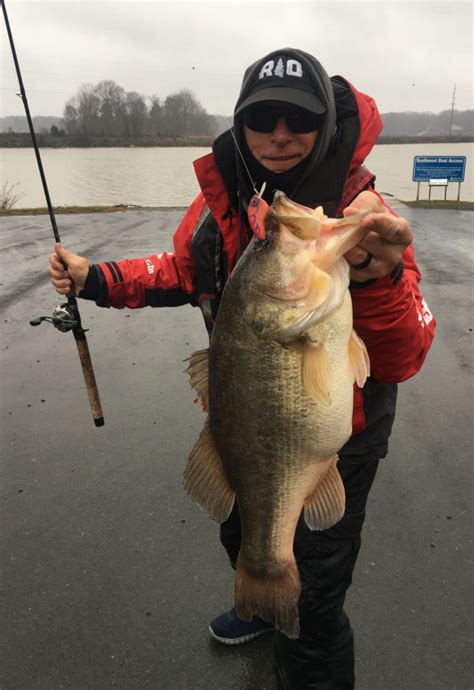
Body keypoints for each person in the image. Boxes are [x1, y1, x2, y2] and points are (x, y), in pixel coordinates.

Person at [48, 48, 435, 690]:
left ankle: (290, 615)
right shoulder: (224, 199)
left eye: (298, 118)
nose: (280, 135)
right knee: (244, 530)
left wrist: (380, 277)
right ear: (240, 124)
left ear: (326, 127)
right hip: (240, 422)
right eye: (263, 119)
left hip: (337, 441)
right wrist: (98, 278)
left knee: (314, 612)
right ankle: (260, 591)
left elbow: (403, 355)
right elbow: (183, 269)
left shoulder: (361, 216)